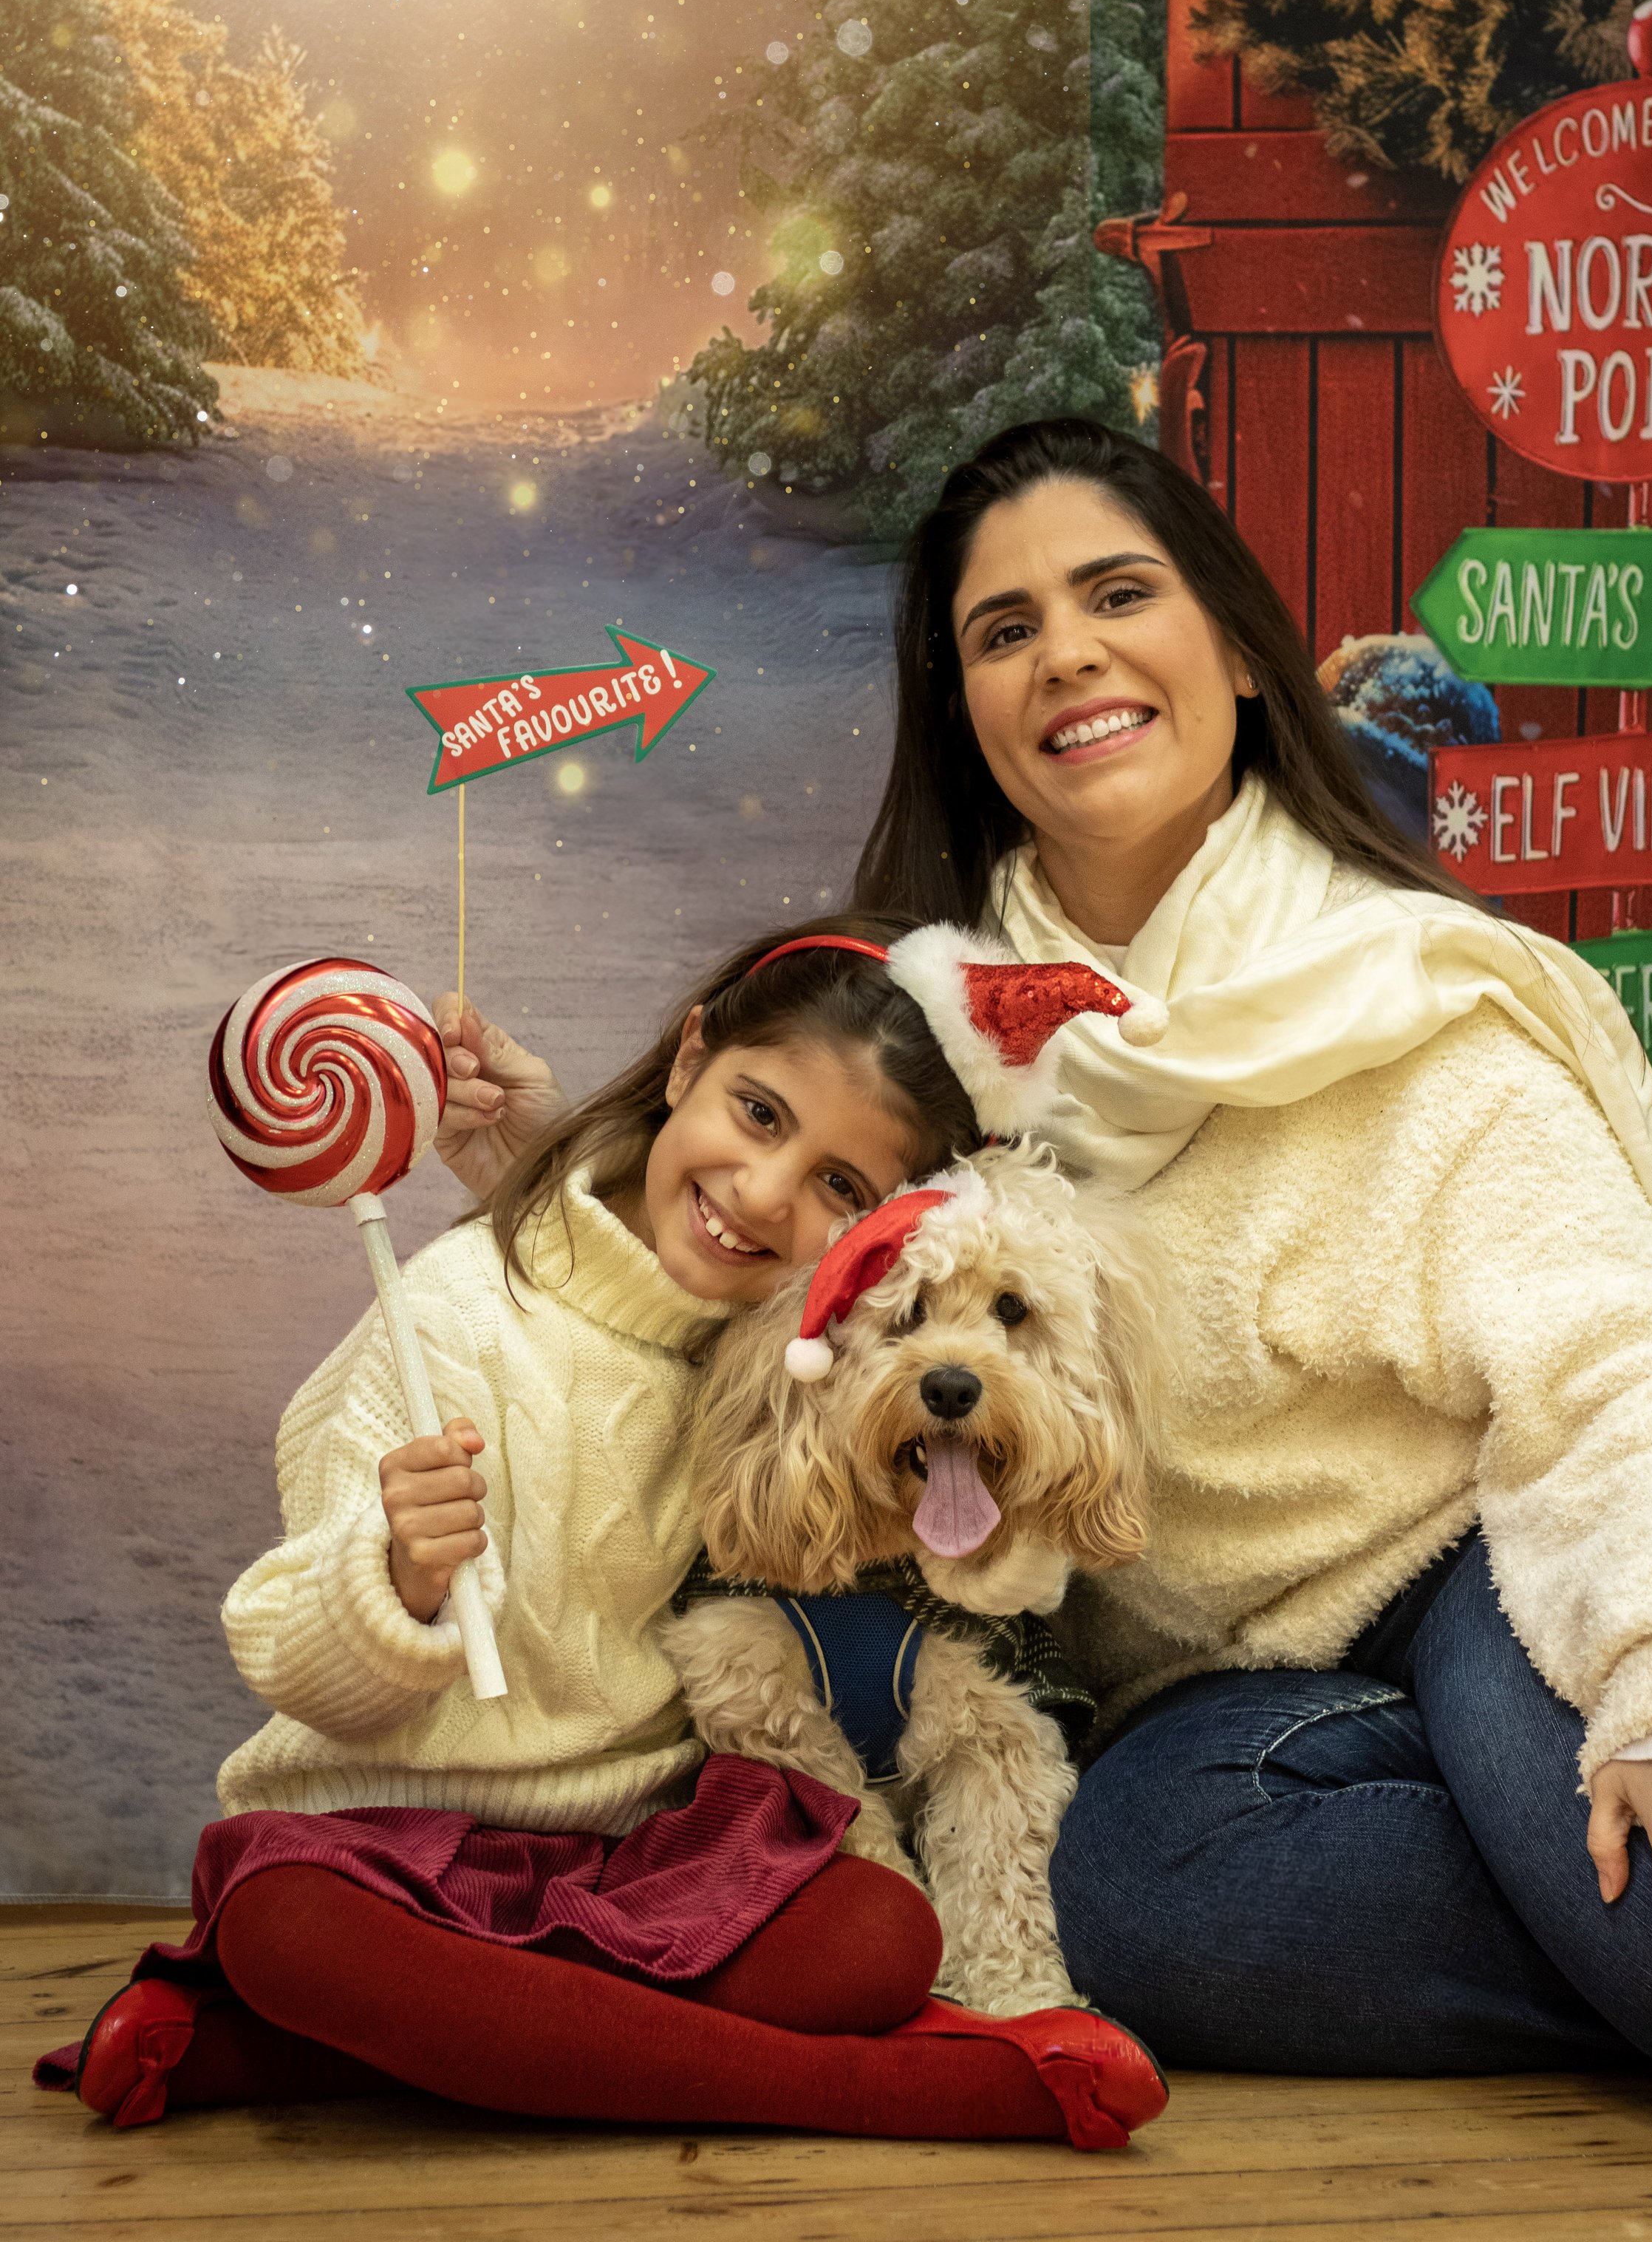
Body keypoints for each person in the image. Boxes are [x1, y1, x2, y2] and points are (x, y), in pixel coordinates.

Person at [432, 419, 1652, 2123]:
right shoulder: (938, 1030)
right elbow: (787, 1281)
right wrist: (540, 1162)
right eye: (1002, 628)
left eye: (1116, 593)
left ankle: (1643, 1864)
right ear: (967, 708)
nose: (1067, 652)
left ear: (1239, 653)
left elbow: (1622, 1361)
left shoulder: (1409, 993)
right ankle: (1572, 1872)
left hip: (1528, 1529)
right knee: (1134, 1897)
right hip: (1234, 1683)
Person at [37, 917, 1165, 2151]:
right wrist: (396, 1578)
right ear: (690, 1061)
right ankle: (885, 2094)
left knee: (878, 1934)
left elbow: (646, 1279)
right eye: (760, 1113)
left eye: (840, 1188)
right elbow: (284, 1649)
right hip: (390, 1851)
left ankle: (270, 2045)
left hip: (635, 1852)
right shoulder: (446, 1319)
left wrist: (549, 1145)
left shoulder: (769, 1358)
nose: (764, 1191)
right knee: (288, 1924)